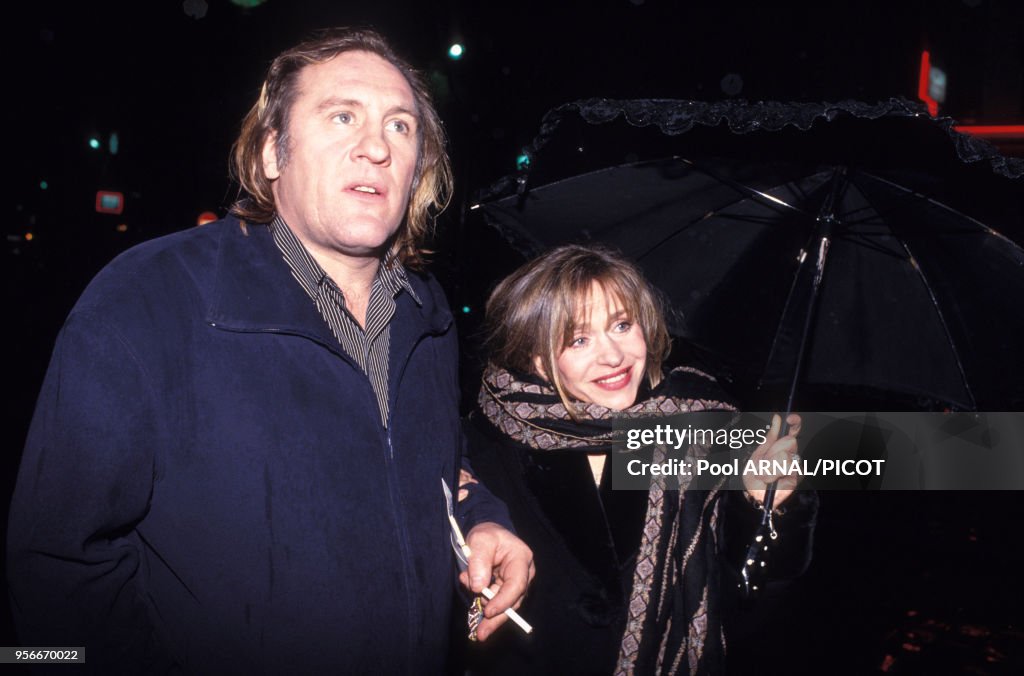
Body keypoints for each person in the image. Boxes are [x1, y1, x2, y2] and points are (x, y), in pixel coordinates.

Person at [8, 28, 532, 674]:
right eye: (343, 116)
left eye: (400, 127)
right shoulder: (145, 301)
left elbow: (433, 463)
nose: (375, 147)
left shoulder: (429, 316)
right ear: (270, 155)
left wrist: (481, 519)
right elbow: (53, 576)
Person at [464, 245, 817, 675]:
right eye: (578, 339)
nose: (614, 356)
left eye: (622, 325)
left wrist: (765, 507)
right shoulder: (479, 443)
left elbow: (750, 607)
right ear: (535, 356)